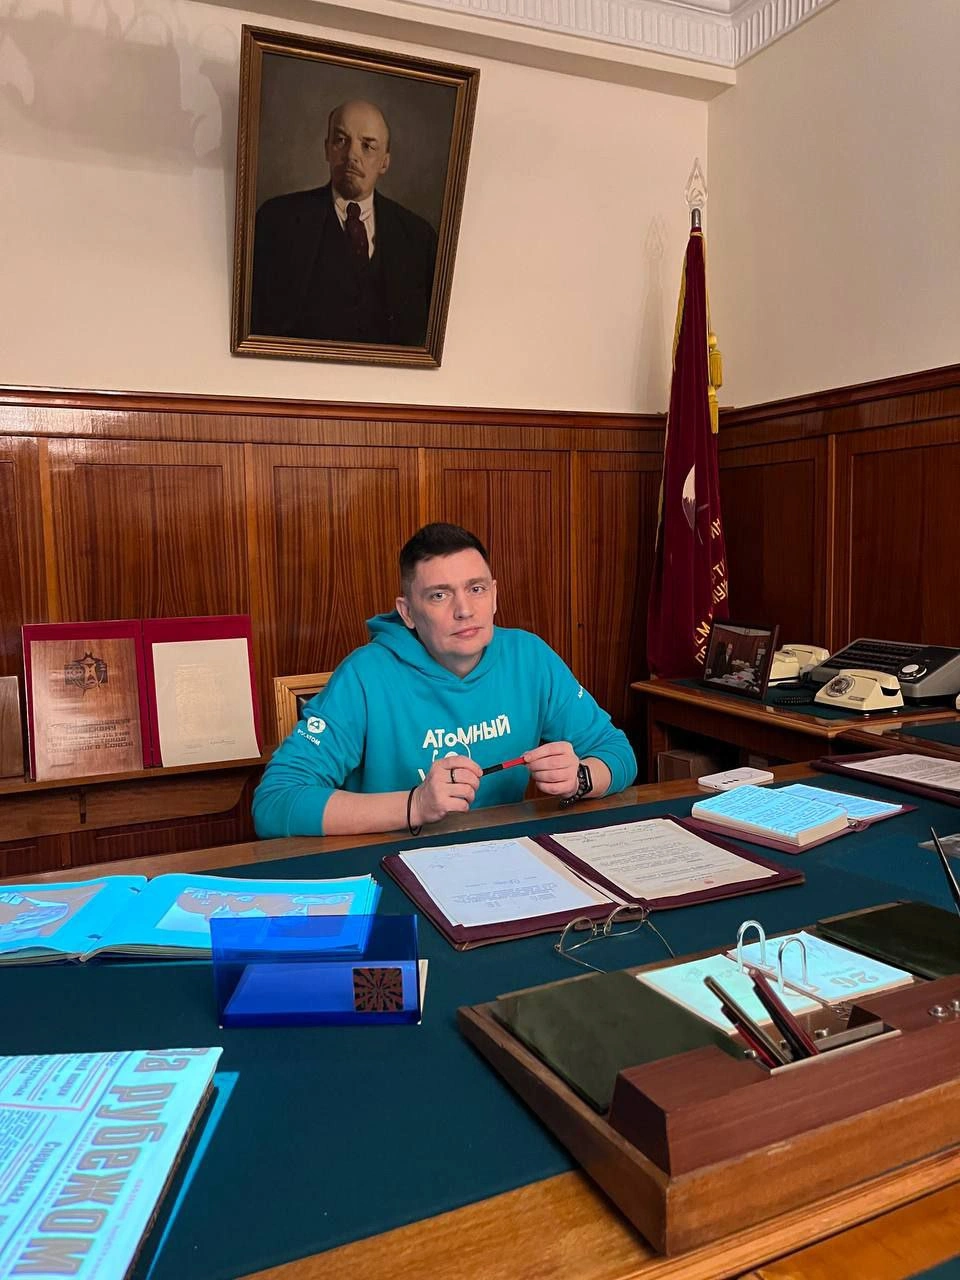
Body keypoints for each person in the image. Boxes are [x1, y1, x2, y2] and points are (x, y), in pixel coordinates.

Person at [253, 523, 637, 838]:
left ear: (494, 595)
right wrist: (415, 805)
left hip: (506, 859)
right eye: (439, 595)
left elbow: (617, 752)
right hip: (394, 862)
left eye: (476, 589)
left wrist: (580, 778)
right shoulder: (364, 676)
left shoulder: (530, 656)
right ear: (407, 612)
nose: (464, 610)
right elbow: (274, 803)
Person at [250, 99, 437, 346]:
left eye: (367, 146)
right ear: (327, 149)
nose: (351, 156)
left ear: (385, 162)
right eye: (340, 140)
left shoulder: (419, 238)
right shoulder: (276, 222)